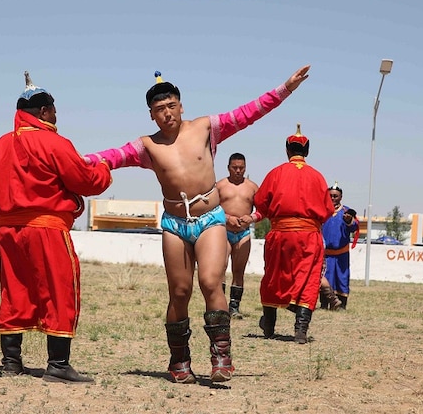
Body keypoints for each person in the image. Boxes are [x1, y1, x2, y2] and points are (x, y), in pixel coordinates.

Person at [83, 66, 311, 383]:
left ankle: (221, 357)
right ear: (151, 115)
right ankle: (179, 362)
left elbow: (249, 113)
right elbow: (108, 157)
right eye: (159, 110)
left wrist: (285, 88)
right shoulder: (146, 146)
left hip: (210, 220)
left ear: (181, 105)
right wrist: (68, 160)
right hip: (175, 224)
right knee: (179, 291)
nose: (166, 114)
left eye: (171, 106)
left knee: (209, 281)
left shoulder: (207, 128)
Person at [0, 72, 112, 383]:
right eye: (54, 111)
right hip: (47, 228)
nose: (56, 117)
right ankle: (58, 365)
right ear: (44, 111)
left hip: (8, 230)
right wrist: (103, 168)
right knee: (60, 289)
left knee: (15, 290)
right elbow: (86, 181)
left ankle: (11, 362)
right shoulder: (55, 143)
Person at [254, 124, 334, 344]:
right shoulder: (318, 177)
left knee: (273, 277)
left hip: (280, 234)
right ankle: (300, 329)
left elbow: (260, 201)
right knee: (308, 279)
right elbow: (327, 210)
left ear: (287, 150)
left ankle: (269, 326)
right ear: (307, 151)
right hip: (309, 237)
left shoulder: (275, 173)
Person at [215, 153, 259, 319]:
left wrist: (251, 217)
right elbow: (211, 208)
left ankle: (234, 307)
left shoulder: (253, 187)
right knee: (220, 268)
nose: (238, 171)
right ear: (228, 168)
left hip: (243, 233)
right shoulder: (220, 186)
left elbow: (263, 209)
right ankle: (220, 306)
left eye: (241, 168)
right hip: (223, 231)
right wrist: (228, 218)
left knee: (239, 271)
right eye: (235, 168)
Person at [321, 184, 359, 310]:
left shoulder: (346, 212)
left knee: (341, 278)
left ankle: (342, 304)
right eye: (330, 195)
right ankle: (324, 303)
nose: (332, 198)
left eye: (335, 196)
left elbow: (354, 227)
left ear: (341, 197)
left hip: (341, 254)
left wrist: (349, 221)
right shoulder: (321, 210)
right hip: (325, 253)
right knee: (324, 277)